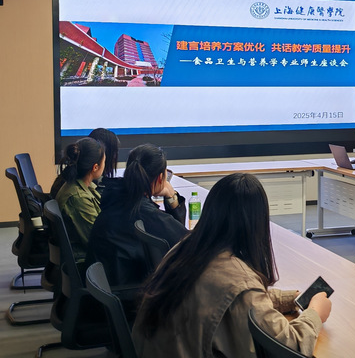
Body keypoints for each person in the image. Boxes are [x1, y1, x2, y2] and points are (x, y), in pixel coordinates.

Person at [132, 173, 331, 358]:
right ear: (256, 223)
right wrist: (315, 313)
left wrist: (289, 299)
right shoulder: (240, 281)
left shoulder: (186, 248)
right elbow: (291, 346)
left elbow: (226, 299)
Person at [86, 143, 188, 288]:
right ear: (160, 178)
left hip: (105, 287)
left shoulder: (116, 196)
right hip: (126, 291)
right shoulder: (144, 212)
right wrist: (172, 196)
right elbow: (186, 243)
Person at [51, 137, 105, 254]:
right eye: (104, 162)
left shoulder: (80, 184)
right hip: (85, 258)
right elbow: (98, 241)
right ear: (95, 167)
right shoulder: (78, 198)